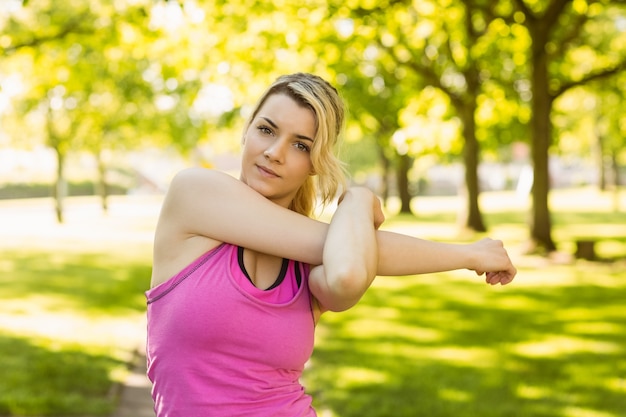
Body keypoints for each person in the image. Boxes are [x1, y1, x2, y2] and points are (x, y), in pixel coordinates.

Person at [145, 72, 517, 417]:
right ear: (246, 131)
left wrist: (356, 200)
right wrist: (362, 204)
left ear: (316, 163)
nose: (275, 152)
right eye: (266, 130)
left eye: (301, 145)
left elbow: (347, 276)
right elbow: (347, 253)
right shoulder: (194, 193)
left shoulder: (317, 262)